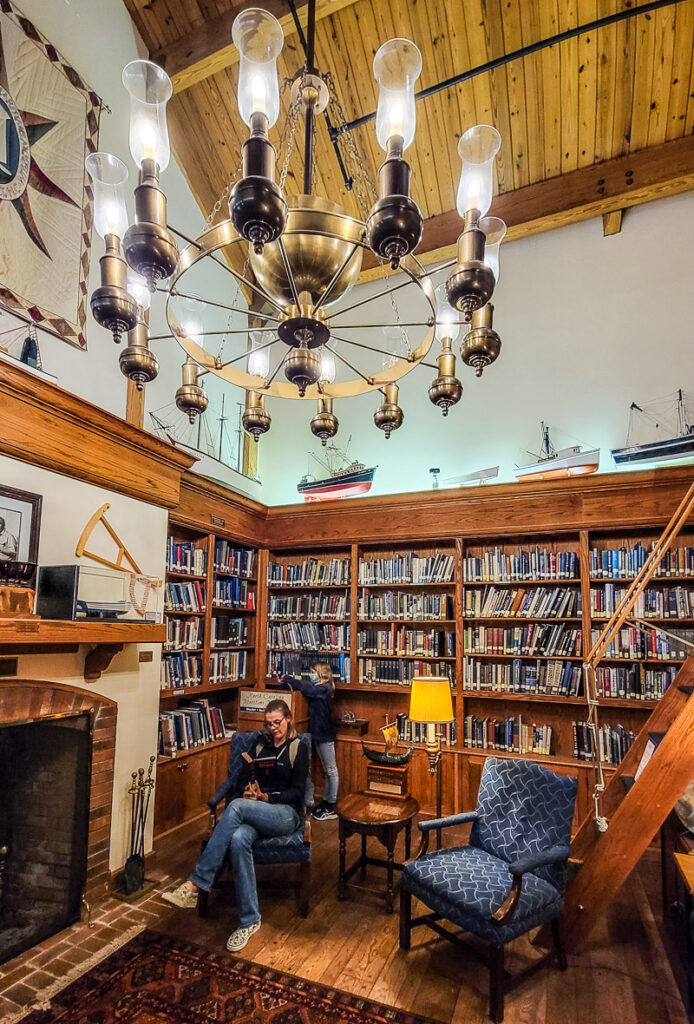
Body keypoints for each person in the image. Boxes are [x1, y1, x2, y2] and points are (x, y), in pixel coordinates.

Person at [162, 699, 308, 952]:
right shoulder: (259, 744)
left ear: (288, 719)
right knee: (239, 838)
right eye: (268, 723)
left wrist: (266, 798)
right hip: (256, 809)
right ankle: (250, 921)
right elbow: (240, 778)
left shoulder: (299, 747)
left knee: (237, 807)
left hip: (284, 813)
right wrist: (250, 790)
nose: (273, 728)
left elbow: (298, 792)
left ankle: (196, 883)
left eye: (277, 722)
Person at [278, 661, 339, 821]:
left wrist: (289, 679)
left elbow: (307, 688)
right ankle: (325, 803)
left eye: (313, 672)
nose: (310, 675)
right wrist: (285, 683)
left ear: (320, 673)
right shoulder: (319, 689)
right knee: (327, 771)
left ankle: (331, 805)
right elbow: (301, 690)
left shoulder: (324, 689)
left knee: (331, 770)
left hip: (325, 734)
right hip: (318, 734)